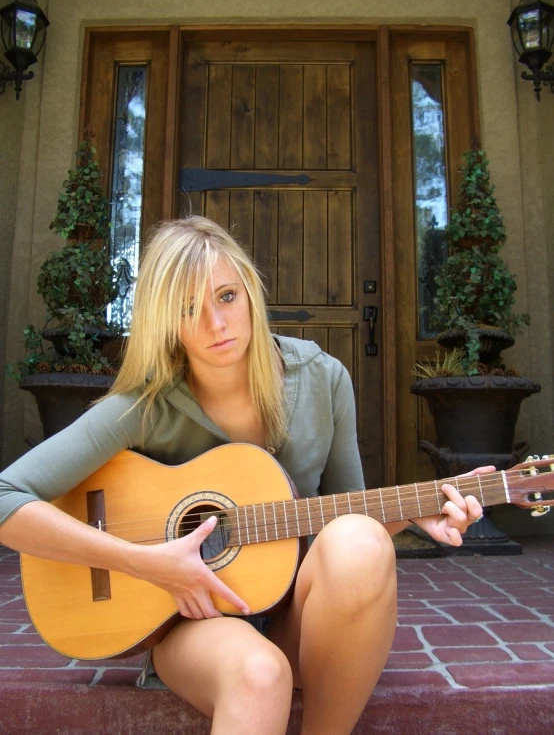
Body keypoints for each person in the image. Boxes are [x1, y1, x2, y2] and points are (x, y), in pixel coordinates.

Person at [0, 216, 488, 735]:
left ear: (251, 291)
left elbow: (345, 525)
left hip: (298, 620)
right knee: (259, 674)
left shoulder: (323, 380)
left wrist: (413, 513)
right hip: (195, 627)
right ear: (164, 322)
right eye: (188, 309)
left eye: (226, 296)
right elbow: (7, 495)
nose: (216, 323)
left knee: (362, 541)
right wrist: (146, 563)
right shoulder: (143, 405)